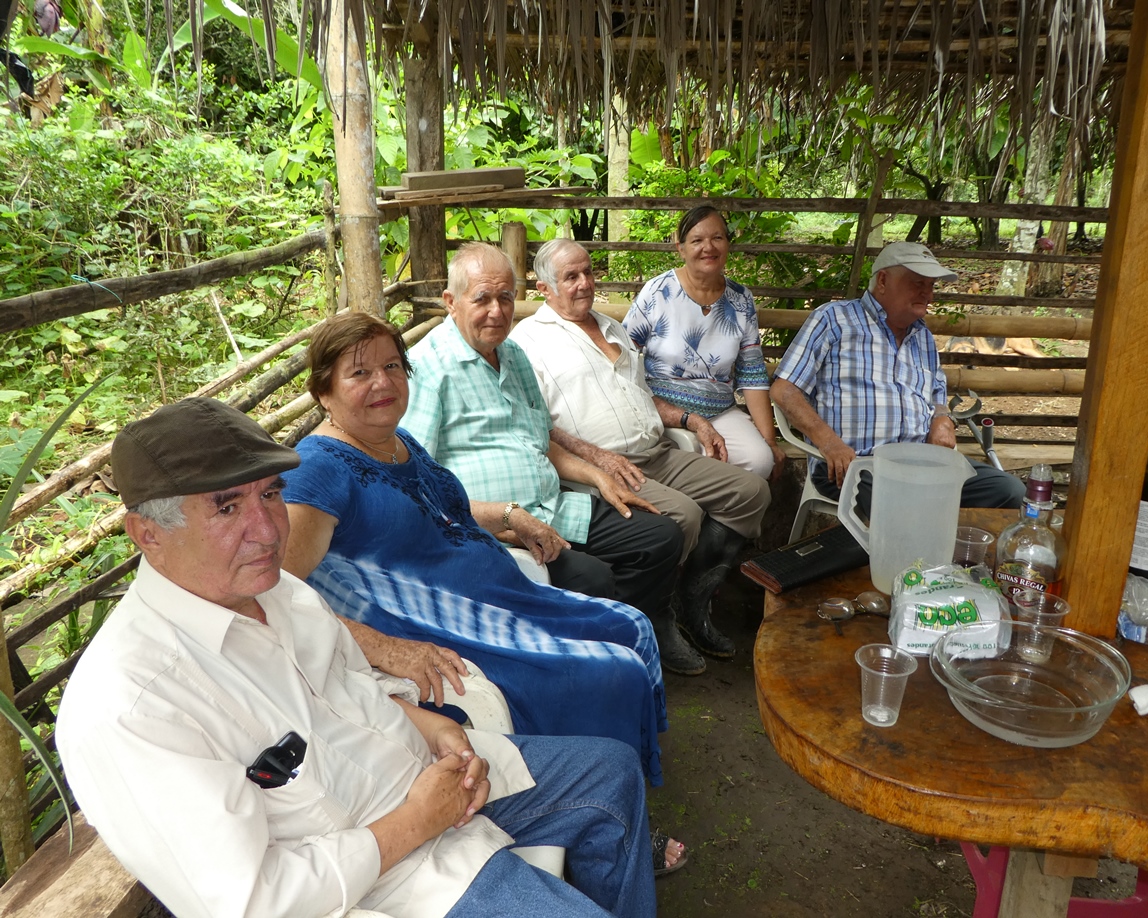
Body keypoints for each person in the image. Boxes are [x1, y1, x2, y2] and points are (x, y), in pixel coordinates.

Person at [55, 398, 657, 918]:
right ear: (147, 533)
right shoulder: (130, 703)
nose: (268, 529)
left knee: (611, 771)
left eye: (270, 494)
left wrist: (435, 726)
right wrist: (417, 821)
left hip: (428, 779)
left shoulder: (279, 591)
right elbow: (251, 901)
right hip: (382, 883)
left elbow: (349, 683)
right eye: (227, 507)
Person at [279, 312, 674, 802]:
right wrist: (384, 648)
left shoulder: (399, 443)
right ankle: (595, 801)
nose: (383, 382)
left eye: (393, 366)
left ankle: (623, 780)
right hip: (450, 631)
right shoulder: (318, 471)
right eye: (359, 373)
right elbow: (279, 594)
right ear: (324, 392)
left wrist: (512, 516)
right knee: (612, 670)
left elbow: (444, 512)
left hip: (504, 595)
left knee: (630, 625)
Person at [511, 239, 772, 675]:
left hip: (657, 450)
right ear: (544, 288)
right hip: (603, 465)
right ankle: (658, 617)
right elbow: (537, 424)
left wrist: (690, 419)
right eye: (570, 277)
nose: (584, 284)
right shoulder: (527, 343)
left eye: (588, 272)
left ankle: (693, 599)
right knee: (682, 517)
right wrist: (597, 459)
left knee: (751, 491)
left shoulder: (611, 326)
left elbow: (644, 396)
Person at [402, 242, 685, 633]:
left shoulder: (514, 355)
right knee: (592, 578)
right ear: (452, 302)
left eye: (505, 297)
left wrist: (598, 476)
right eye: (482, 299)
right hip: (495, 526)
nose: (497, 311)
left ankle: (626, 634)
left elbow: (541, 439)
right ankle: (594, 649)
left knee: (661, 537)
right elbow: (415, 480)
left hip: (553, 506)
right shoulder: (428, 369)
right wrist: (503, 514)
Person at [771, 242, 1026, 515]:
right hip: (856, 465)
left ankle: (954, 556)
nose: (927, 293)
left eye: (931, 285)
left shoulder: (923, 336)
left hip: (920, 462)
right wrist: (829, 442)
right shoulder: (834, 319)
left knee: (1009, 492)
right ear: (883, 281)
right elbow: (784, 390)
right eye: (918, 283)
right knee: (907, 501)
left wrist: (942, 418)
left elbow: (936, 390)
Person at [622, 206, 786, 480]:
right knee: (689, 466)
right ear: (681, 248)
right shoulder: (658, 291)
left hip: (719, 411)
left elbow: (753, 375)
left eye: (717, 238)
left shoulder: (741, 299)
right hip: (664, 413)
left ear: (728, 244)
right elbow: (623, 354)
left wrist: (770, 441)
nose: (708, 247)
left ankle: (721, 524)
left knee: (759, 461)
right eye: (697, 240)